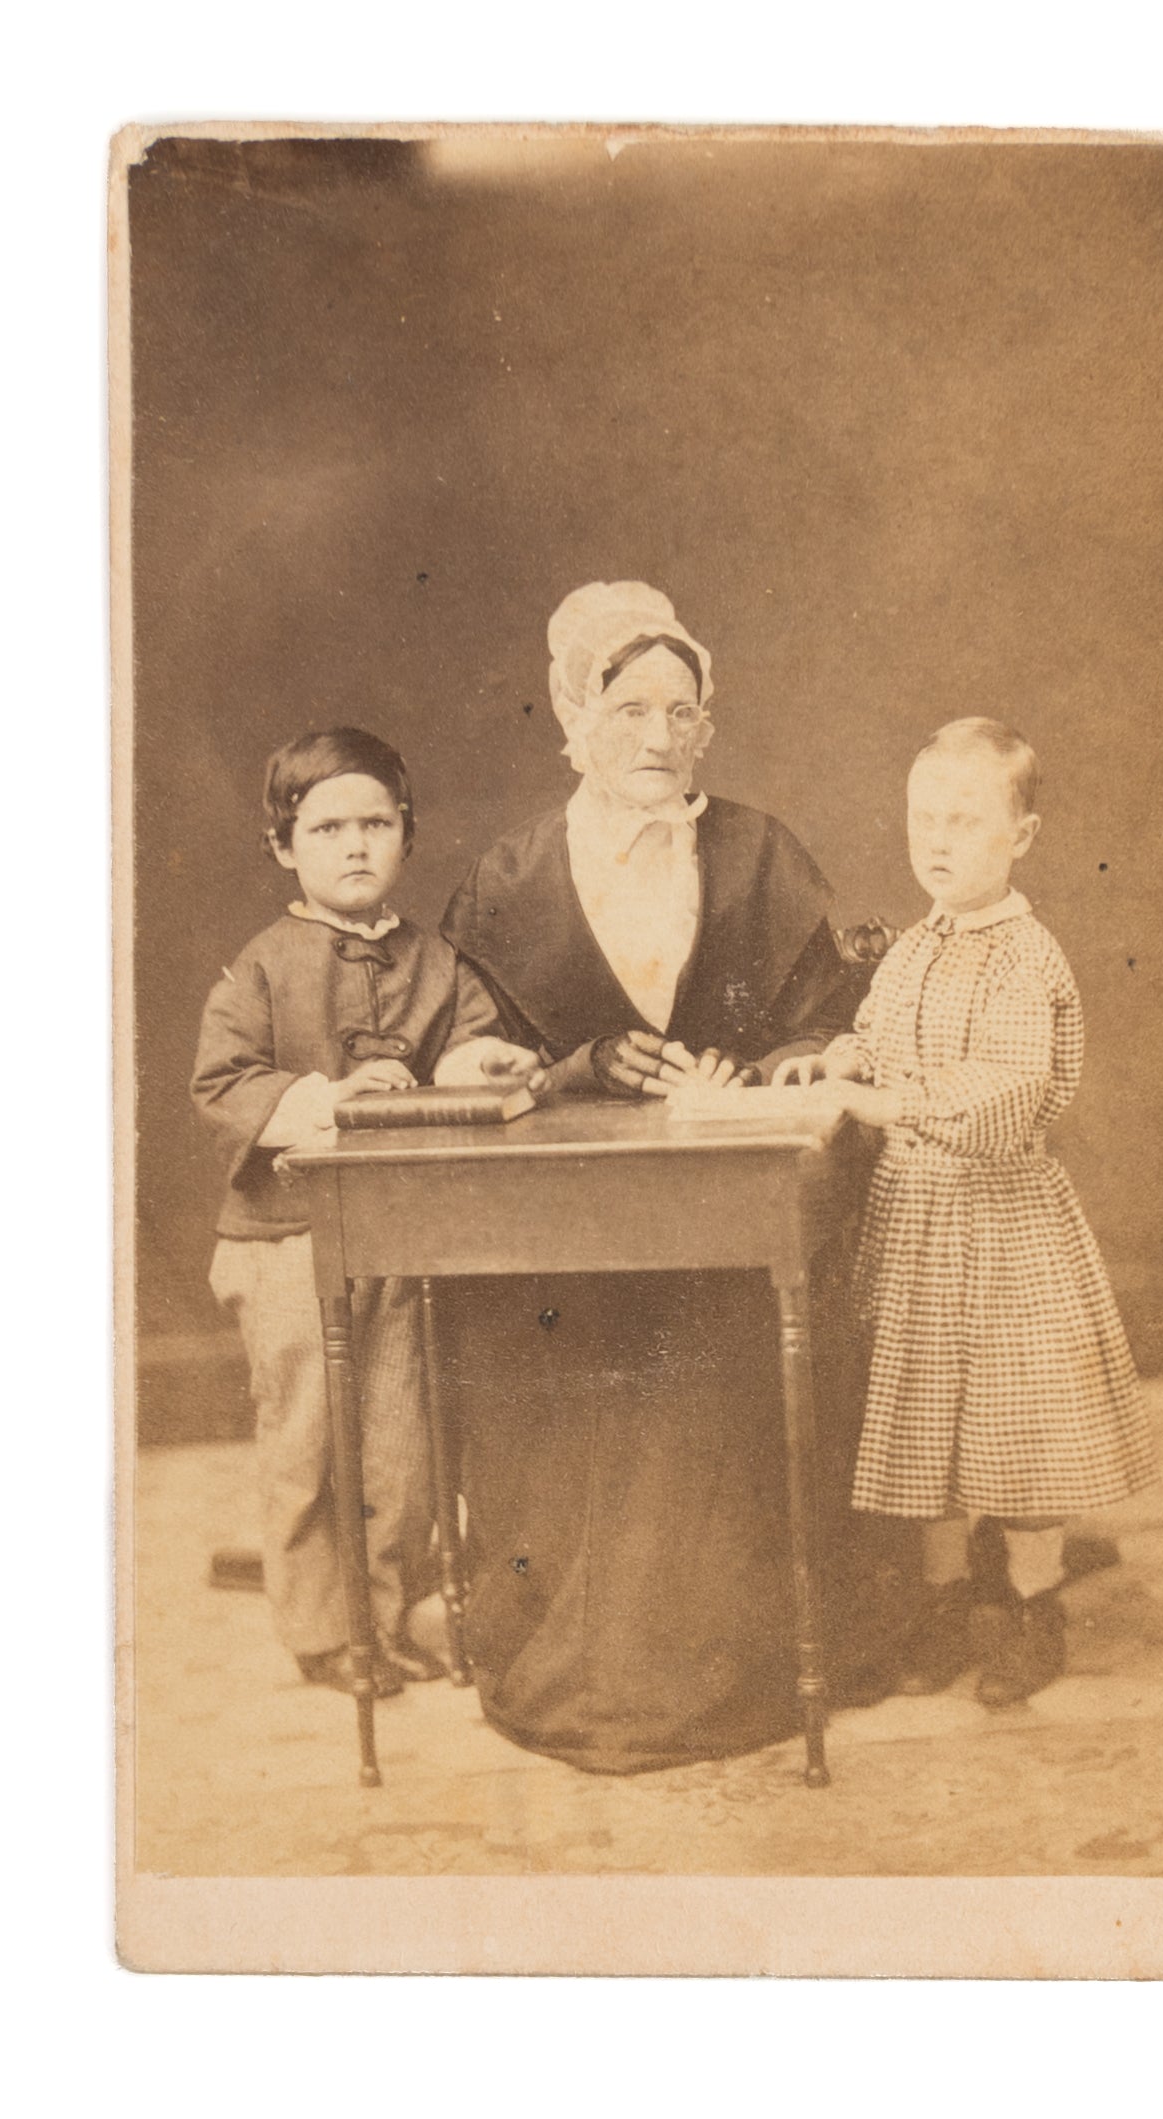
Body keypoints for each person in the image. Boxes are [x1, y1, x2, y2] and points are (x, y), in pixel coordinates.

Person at [439, 582, 861, 1770]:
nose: (658, 739)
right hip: (552, 1251)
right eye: (628, 710)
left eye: (682, 712)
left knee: (716, 1350)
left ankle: (737, 1666)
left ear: (706, 726)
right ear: (574, 717)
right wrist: (578, 1062)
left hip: (722, 1226)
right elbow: (462, 1052)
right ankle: (573, 1665)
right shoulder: (509, 879)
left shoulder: (757, 848)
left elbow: (825, 1011)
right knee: (573, 1357)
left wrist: (763, 1063)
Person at [778, 717, 1155, 1704]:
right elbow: (876, 1030)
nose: (936, 840)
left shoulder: (1025, 959)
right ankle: (943, 1601)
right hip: (913, 1218)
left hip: (997, 1219)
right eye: (921, 818)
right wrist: (841, 1060)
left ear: (1018, 836)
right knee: (925, 1416)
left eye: (963, 819)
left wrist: (887, 1101)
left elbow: (1004, 1090)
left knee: (1013, 1419)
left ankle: (1033, 1604)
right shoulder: (913, 945)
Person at [191, 726, 542, 1696]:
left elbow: (465, 1041)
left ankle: (387, 1615)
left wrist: (485, 1062)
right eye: (327, 826)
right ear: (282, 846)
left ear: (406, 835)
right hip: (288, 1240)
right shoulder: (261, 967)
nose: (354, 846)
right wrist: (331, 1095)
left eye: (375, 824)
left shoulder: (434, 960)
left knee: (400, 1441)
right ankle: (321, 1629)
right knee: (308, 1437)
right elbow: (221, 1083)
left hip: (399, 1240)